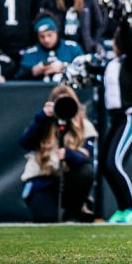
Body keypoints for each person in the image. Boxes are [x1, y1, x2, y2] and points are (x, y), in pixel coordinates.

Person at [18, 86, 97, 223]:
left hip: (69, 180)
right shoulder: (44, 122)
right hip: (43, 178)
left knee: (86, 171)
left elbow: (86, 156)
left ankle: (75, 211)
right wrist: (42, 117)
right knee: (47, 219)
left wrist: (68, 154)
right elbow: (25, 143)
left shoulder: (84, 126)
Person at [102, 20, 132, 224]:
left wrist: (121, 17)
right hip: (116, 119)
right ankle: (123, 209)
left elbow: (127, 41)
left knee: (115, 163)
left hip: (131, 118)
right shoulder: (114, 63)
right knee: (106, 165)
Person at [17, 13, 83, 82]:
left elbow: (84, 70)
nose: (46, 40)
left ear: (56, 32)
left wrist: (64, 67)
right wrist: (32, 71)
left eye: (49, 35)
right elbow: (18, 78)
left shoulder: (72, 48)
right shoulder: (30, 54)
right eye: (42, 36)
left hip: (68, 90)